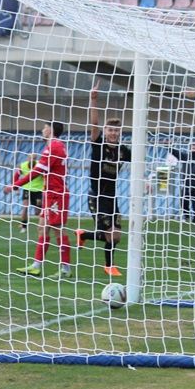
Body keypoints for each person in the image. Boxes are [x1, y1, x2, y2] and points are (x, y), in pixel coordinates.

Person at [3, 121, 72, 278]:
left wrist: (15, 185)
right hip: (49, 193)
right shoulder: (56, 146)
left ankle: (66, 268)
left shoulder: (54, 147)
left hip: (56, 194)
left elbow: (36, 172)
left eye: (45, 128)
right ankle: (36, 266)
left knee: (58, 229)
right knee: (42, 227)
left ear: (51, 130)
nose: (42, 130)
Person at [77, 83, 132, 277]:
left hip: (112, 197)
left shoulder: (123, 151)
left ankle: (84, 234)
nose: (113, 133)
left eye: (116, 131)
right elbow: (94, 125)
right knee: (110, 234)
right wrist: (93, 100)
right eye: (110, 130)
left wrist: (146, 180)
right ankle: (109, 266)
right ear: (105, 131)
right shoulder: (99, 144)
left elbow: (139, 162)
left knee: (116, 236)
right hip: (97, 196)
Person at [16, 154, 43, 232]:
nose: (32, 159)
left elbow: (46, 176)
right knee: (25, 207)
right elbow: (16, 176)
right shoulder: (22, 166)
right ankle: (24, 227)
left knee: (37, 212)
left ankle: (41, 226)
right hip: (27, 189)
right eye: (30, 158)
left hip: (38, 190)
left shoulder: (40, 166)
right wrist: (16, 188)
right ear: (27, 158)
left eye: (34, 158)